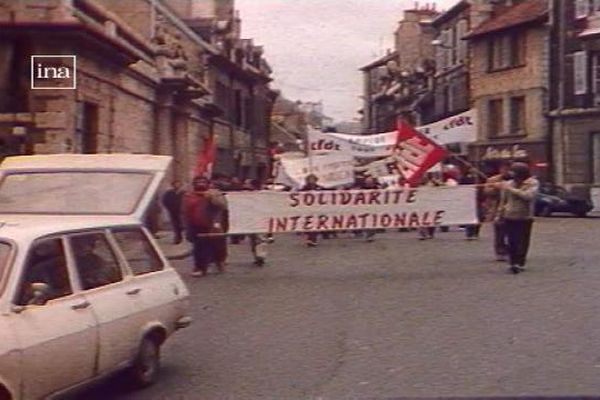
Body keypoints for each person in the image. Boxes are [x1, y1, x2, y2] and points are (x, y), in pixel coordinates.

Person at [490, 162, 539, 274]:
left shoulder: (532, 183)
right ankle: (513, 262)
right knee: (511, 240)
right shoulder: (509, 183)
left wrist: (510, 189)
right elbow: (503, 201)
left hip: (525, 216)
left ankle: (520, 262)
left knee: (523, 241)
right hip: (509, 215)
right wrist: (499, 215)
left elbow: (528, 196)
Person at [183, 176, 228, 277]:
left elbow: (223, 205)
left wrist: (212, 197)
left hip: (210, 225)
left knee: (213, 246)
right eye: (198, 182)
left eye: (203, 182)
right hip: (194, 225)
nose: (200, 184)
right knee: (198, 247)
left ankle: (211, 264)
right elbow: (185, 210)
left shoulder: (214, 193)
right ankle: (200, 267)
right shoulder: (189, 195)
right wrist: (185, 225)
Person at [484, 161, 512, 261]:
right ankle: (500, 251)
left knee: (512, 232)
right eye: (504, 169)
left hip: (512, 208)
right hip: (498, 208)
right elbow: (486, 192)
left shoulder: (516, 180)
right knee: (500, 232)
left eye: (508, 169)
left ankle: (511, 250)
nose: (506, 171)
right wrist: (496, 188)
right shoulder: (493, 179)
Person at [460, 169, 483, 240]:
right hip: (468, 200)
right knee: (470, 216)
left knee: (479, 217)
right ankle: (469, 233)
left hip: (477, 200)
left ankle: (476, 233)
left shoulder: (480, 178)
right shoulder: (464, 178)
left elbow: (482, 190)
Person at [300, 174, 323, 247]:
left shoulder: (319, 188)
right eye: (310, 179)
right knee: (308, 224)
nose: (312, 180)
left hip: (316, 209)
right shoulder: (304, 188)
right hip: (307, 209)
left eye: (313, 179)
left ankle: (313, 239)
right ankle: (309, 238)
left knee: (315, 224)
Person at [161, 180, 185, 244]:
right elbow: (164, 201)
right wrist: (169, 208)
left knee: (181, 224)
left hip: (182, 211)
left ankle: (182, 236)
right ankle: (177, 237)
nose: (177, 185)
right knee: (175, 224)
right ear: (173, 185)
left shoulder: (183, 193)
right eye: (176, 184)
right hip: (172, 211)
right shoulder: (169, 193)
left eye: (178, 184)